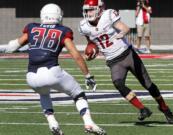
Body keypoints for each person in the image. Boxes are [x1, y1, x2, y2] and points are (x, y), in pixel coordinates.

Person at [0, 3, 106, 135]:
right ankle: (89, 123)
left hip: (31, 77)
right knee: (78, 94)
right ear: (59, 16)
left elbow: (11, 47)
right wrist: (88, 76)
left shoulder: (32, 28)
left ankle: (52, 123)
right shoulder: (63, 31)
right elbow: (76, 55)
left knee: (44, 93)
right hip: (51, 71)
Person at [78, 0, 173, 124]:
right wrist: (91, 52)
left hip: (128, 54)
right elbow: (91, 43)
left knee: (148, 85)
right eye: (87, 10)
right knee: (118, 83)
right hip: (113, 60)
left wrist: (122, 33)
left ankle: (164, 108)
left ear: (100, 8)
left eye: (91, 9)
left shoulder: (108, 15)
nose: (88, 12)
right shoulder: (83, 26)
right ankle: (142, 109)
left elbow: (125, 28)